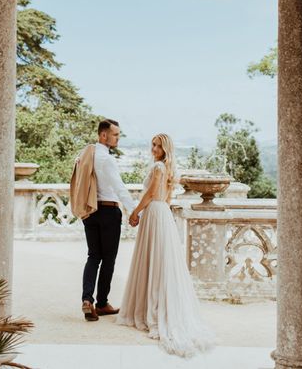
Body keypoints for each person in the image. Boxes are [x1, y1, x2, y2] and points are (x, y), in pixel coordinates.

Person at [116, 134, 214, 357]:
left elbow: (150, 194)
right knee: (160, 260)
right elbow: (166, 198)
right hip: (163, 214)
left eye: (158, 145)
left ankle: (150, 310)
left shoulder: (159, 168)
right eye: (152, 144)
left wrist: (135, 211)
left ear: (165, 148)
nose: (154, 148)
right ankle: (154, 303)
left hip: (154, 213)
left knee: (153, 259)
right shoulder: (169, 169)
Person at [71, 118, 136, 322]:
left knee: (93, 256)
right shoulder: (106, 159)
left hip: (90, 211)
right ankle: (101, 303)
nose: (117, 138)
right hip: (108, 211)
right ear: (103, 135)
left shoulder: (85, 154)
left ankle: (86, 299)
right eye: (115, 134)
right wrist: (134, 211)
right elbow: (119, 187)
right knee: (108, 259)